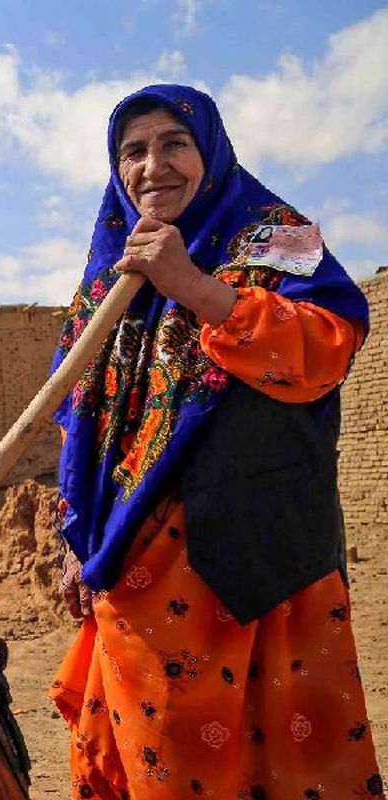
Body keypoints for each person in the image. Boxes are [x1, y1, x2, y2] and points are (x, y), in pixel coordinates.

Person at [50, 85, 381, 798]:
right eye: (132, 151)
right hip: (135, 556)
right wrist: (77, 539)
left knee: (280, 749)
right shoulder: (110, 269)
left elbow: (327, 349)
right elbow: (85, 422)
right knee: (164, 756)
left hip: (262, 553)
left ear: (211, 151)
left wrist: (194, 287)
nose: (152, 167)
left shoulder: (277, 238)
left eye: (174, 144)